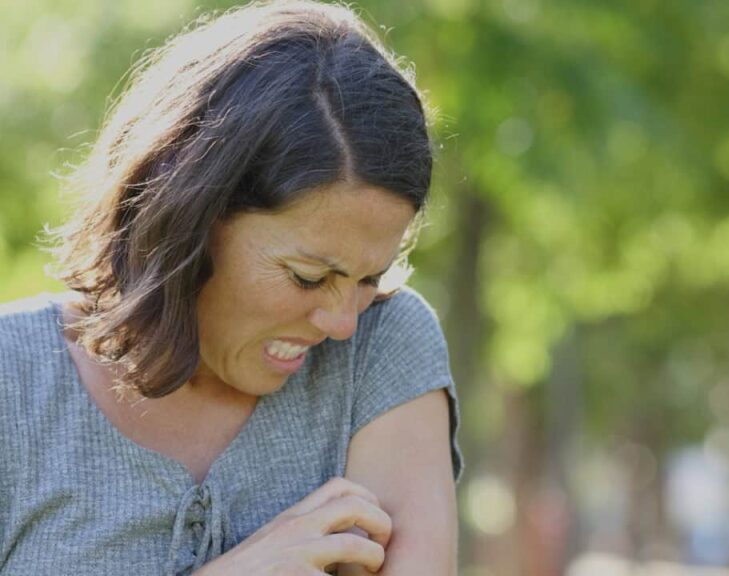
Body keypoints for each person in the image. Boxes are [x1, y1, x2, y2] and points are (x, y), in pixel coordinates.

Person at [0, 1, 462, 574]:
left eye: (368, 277)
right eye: (309, 277)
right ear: (189, 221)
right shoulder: (12, 381)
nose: (343, 322)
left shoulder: (381, 352)